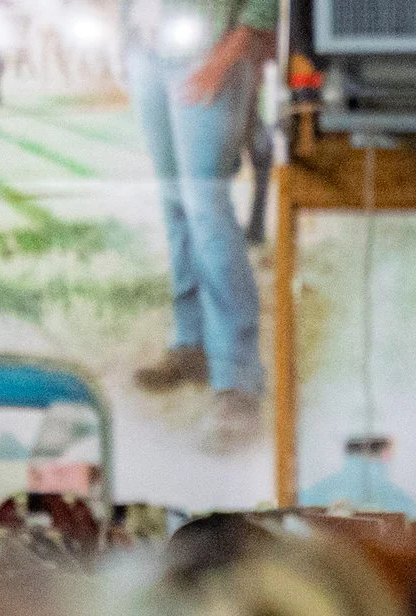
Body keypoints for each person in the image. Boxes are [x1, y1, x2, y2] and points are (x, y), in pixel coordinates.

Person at [124, 0, 272, 450]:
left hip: (207, 53)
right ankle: (190, 347)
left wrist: (226, 56)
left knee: (205, 207)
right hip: (147, 50)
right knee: (176, 203)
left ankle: (238, 380)